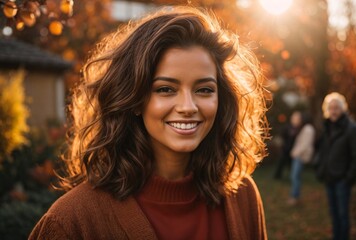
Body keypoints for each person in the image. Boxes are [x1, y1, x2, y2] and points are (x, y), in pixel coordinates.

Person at [29, 6, 269, 240]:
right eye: (165, 89)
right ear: (133, 99)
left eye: (204, 89)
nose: (188, 107)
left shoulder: (242, 196)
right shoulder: (71, 222)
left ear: (222, 98)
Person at [315, 92, 356, 240]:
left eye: (336, 107)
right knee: (333, 213)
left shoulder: (352, 128)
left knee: (343, 214)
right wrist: (320, 169)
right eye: (330, 108)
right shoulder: (327, 126)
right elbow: (323, 151)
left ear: (343, 109)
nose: (333, 111)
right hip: (329, 177)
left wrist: (349, 178)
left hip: (343, 179)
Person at [287, 111, 315, 206]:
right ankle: (295, 196)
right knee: (295, 176)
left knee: (295, 177)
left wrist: (295, 153)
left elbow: (305, 144)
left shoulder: (308, 129)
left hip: (300, 156)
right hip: (298, 155)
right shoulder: (304, 128)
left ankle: (295, 197)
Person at [273, 111, 301, 180]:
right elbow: (282, 136)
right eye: (294, 118)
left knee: (292, 165)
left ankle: (292, 177)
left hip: (294, 150)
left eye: (297, 119)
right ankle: (277, 176)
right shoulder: (288, 127)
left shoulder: (300, 129)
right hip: (285, 149)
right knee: (281, 162)